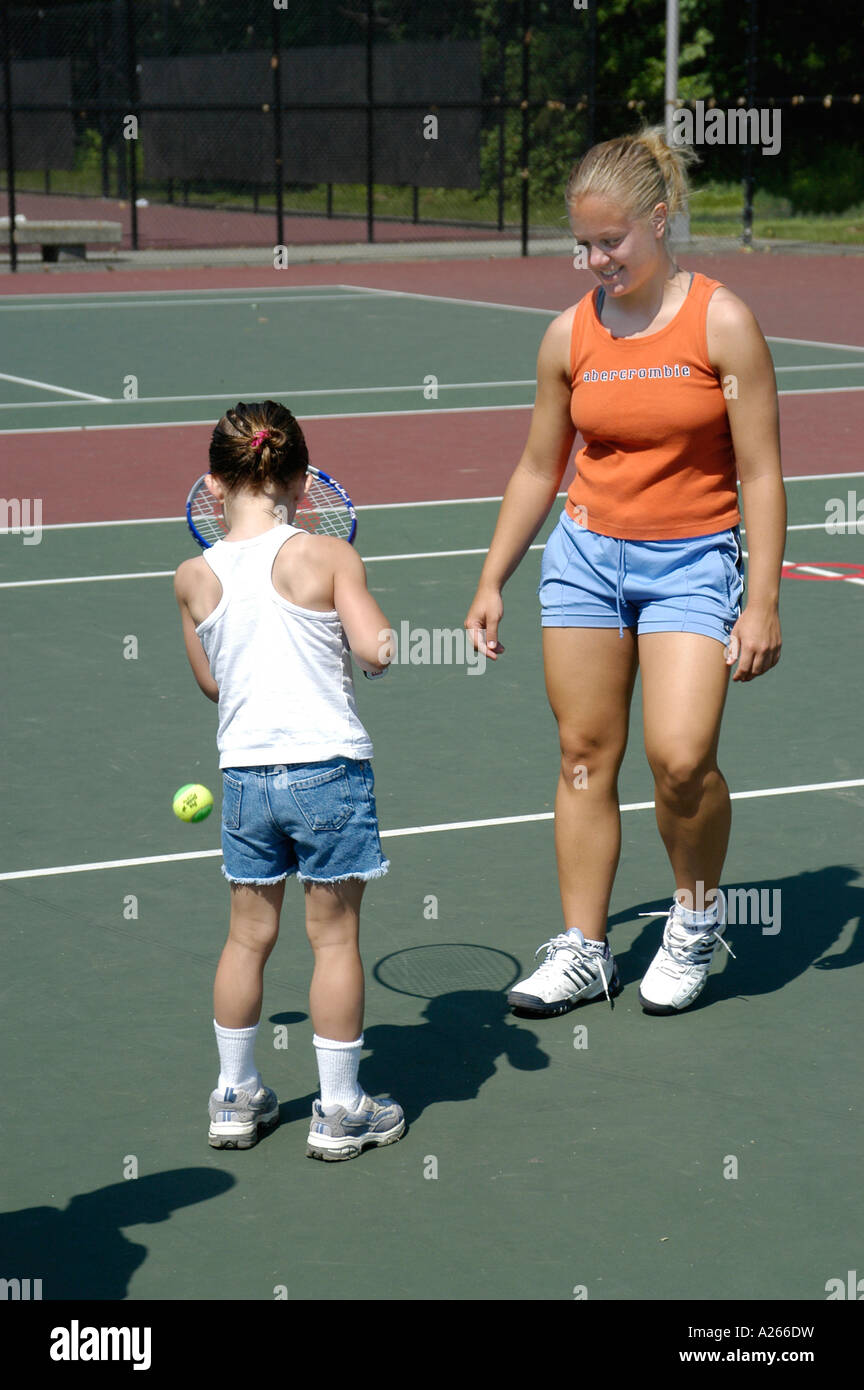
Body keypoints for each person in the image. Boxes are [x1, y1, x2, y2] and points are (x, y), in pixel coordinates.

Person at [464, 128, 785, 1017]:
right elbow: (540, 467)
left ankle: (695, 921)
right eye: (584, 244)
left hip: (693, 560)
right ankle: (585, 949)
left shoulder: (722, 322)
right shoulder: (568, 335)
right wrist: (492, 579)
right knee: (583, 756)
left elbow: (761, 472)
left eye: (612, 241)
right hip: (585, 561)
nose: (597, 260)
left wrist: (762, 599)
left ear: (660, 218)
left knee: (681, 760)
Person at [174, 400, 404, 1159]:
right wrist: (379, 644)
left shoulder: (192, 577)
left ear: (214, 486)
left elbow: (213, 684)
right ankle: (339, 1110)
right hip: (327, 772)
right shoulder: (329, 558)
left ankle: (234, 1097)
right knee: (334, 941)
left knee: (247, 938)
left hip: (245, 781)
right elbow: (375, 650)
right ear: (303, 483)